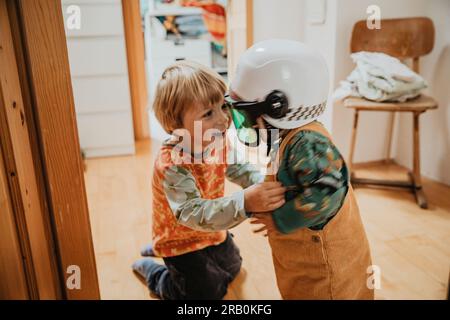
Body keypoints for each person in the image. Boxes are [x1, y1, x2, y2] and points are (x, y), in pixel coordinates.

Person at [227, 39, 374, 300]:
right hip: (305, 265)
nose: (245, 124)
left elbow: (328, 190)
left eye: (246, 116)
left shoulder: (307, 142)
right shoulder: (291, 136)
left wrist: (280, 219)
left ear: (276, 106)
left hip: (325, 276)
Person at [132, 61, 286, 299]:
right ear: (175, 124)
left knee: (233, 268)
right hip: (180, 237)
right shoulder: (172, 164)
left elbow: (238, 168)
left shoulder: (218, 140)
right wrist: (245, 202)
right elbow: (194, 213)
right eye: (208, 114)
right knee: (206, 293)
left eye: (223, 106)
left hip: (210, 230)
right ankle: (157, 273)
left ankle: (164, 252)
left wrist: (262, 184)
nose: (223, 119)